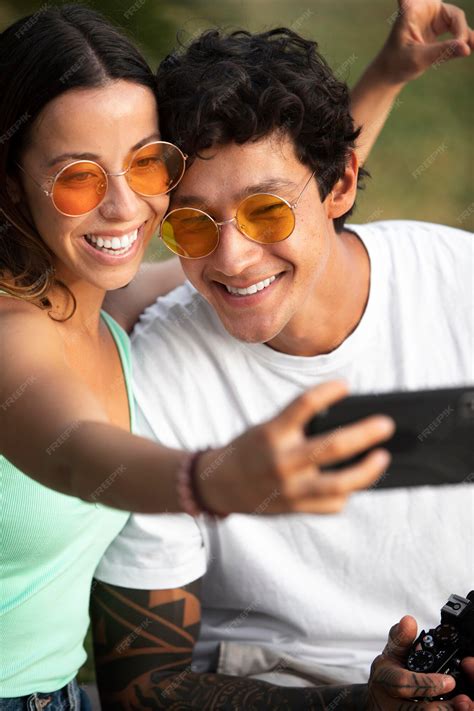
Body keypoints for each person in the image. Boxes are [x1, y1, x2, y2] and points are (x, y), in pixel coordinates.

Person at [0, 2, 426, 706]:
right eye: (78, 175)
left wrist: (383, 77)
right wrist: (208, 481)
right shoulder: (14, 335)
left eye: (147, 164)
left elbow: (281, 221)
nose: (124, 207)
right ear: (13, 181)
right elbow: (74, 453)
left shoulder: (103, 302)